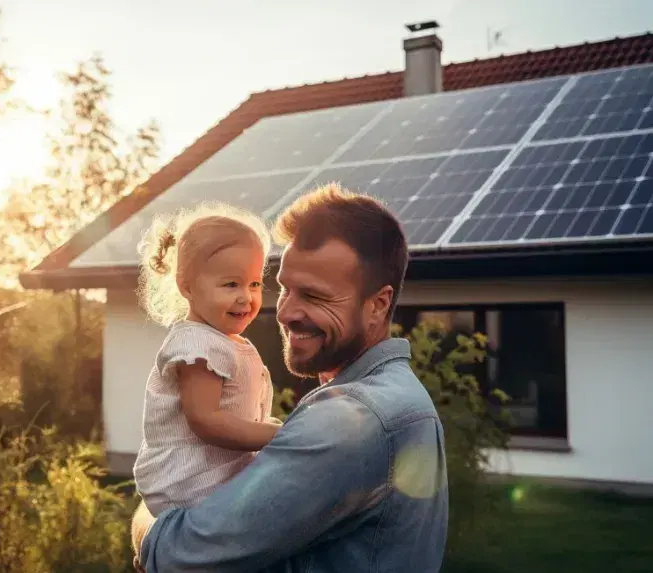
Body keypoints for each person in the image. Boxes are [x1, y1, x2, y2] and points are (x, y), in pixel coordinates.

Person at [132, 183, 449, 573]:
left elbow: (180, 555)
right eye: (284, 289)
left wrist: (147, 522)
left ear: (377, 304)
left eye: (315, 296)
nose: (286, 313)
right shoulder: (395, 396)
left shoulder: (354, 420)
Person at [132, 202, 282, 518]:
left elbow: (235, 414)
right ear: (186, 286)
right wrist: (276, 437)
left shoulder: (226, 342)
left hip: (214, 477)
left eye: (254, 283)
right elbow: (207, 421)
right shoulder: (197, 343)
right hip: (191, 483)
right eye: (231, 284)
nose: (247, 296)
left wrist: (268, 427)